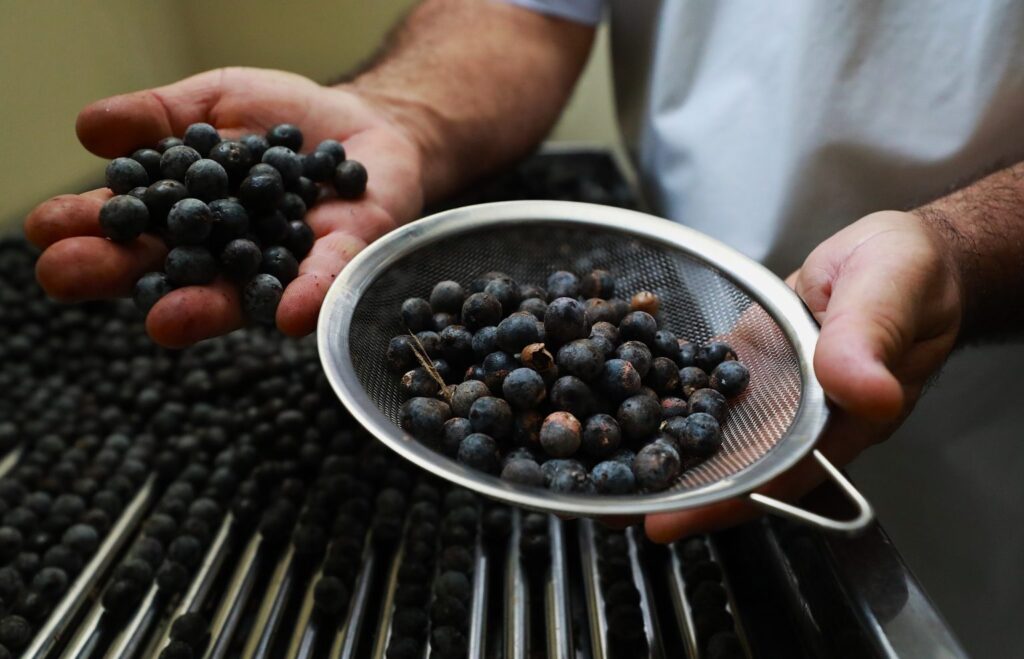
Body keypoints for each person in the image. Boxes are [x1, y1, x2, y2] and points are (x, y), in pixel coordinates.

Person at [23, 1, 1024, 650]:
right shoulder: (559, 360)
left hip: (978, 418)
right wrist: (402, 112)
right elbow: (526, 12)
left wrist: (956, 247)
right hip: (689, 286)